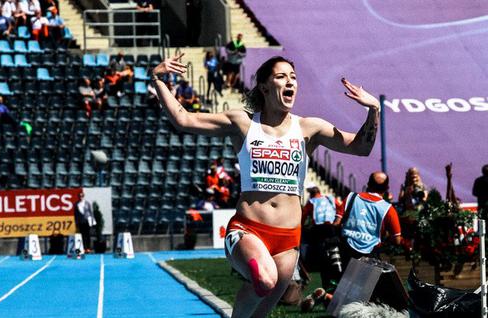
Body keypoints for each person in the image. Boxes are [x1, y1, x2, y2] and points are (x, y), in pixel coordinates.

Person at [150, 54, 380, 317]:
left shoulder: (309, 128)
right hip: (248, 230)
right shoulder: (243, 123)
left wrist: (374, 110)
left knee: (262, 310)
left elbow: (362, 148)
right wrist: (157, 79)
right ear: (265, 86)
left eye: (293, 77)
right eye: (281, 77)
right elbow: (184, 120)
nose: (290, 82)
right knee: (265, 280)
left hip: (288, 239)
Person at [337, 172, 402, 269]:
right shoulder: (388, 209)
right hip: (371, 255)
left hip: (346, 252)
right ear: (386, 188)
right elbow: (397, 240)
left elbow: (336, 222)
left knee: (344, 283)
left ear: (368, 184)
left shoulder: (351, 197)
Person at [301, 185, 342, 292]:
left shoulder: (312, 202)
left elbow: (304, 215)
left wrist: (301, 227)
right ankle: (338, 276)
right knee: (335, 254)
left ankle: (327, 283)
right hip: (332, 229)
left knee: (323, 257)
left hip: (319, 230)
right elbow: (341, 208)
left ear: (311, 194)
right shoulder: (330, 198)